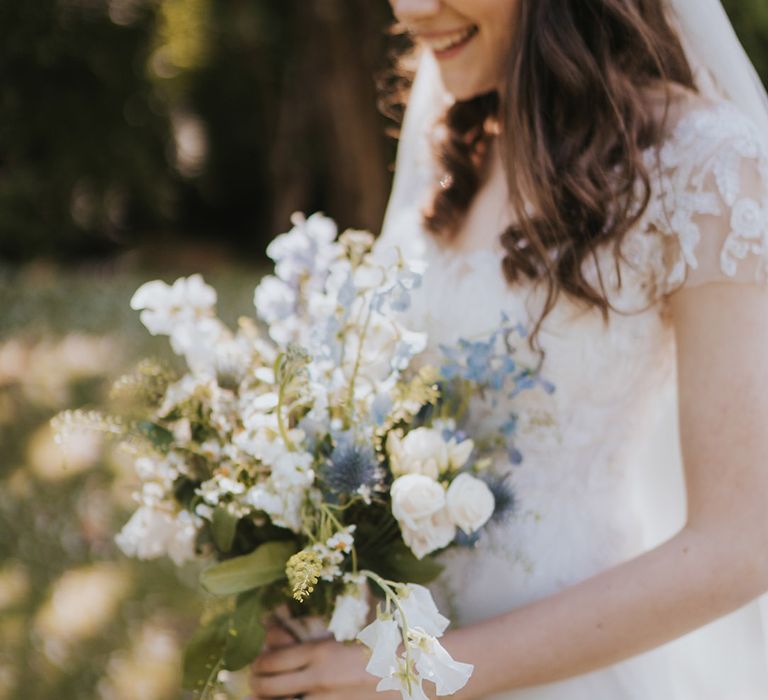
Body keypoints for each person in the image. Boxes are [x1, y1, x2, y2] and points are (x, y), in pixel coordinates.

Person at [250, 1, 768, 698]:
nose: (411, 9)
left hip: (565, 670)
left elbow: (740, 545)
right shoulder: (452, 137)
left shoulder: (708, 168)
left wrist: (419, 673)